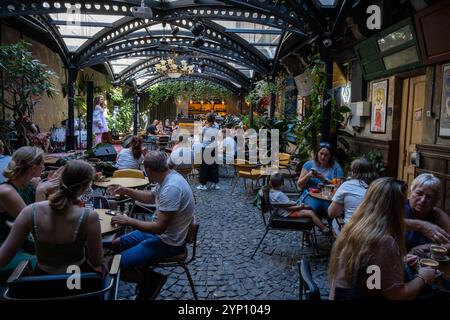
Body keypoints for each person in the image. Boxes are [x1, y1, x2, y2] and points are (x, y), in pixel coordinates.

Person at [328, 178, 438, 300]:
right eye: (403, 203)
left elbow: (370, 274)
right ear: (396, 208)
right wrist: (422, 277)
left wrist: (397, 262)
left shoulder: (356, 226)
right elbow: (398, 296)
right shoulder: (383, 241)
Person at [107, 151, 195, 300]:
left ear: (148, 170)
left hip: (169, 242)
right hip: (161, 234)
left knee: (113, 265)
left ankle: (150, 281)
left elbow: (159, 228)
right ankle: (145, 275)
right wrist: (126, 190)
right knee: (116, 244)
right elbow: (151, 197)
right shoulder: (167, 177)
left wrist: (129, 220)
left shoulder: (171, 188)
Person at [0, 160, 104, 275]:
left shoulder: (30, 211)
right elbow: (96, 261)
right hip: (77, 282)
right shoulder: (89, 216)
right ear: (85, 186)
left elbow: (3, 259)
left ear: (60, 180)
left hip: (41, 284)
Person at [0, 147, 62, 277]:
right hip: (9, 250)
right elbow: (35, 224)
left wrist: (51, 191)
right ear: (33, 167)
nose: (44, 166)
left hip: (26, 242)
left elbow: (50, 212)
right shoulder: (7, 192)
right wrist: (40, 192)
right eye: (42, 163)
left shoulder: (28, 183)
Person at [261, 173, 329, 232]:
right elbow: (289, 208)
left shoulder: (271, 191)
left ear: (270, 182)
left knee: (309, 207)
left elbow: (285, 204)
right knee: (310, 212)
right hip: (288, 213)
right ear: (282, 184)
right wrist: (299, 207)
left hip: (284, 210)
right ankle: (323, 228)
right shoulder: (279, 194)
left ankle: (320, 224)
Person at [328, 158, 378, 235]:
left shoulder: (347, 185)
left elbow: (331, 213)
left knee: (335, 221)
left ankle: (340, 245)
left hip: (352, 232)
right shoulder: (379, 186)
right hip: (375, 231)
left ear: (354, 172)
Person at [296, 142, 344, 222]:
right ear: (317, 153)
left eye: (326, 155)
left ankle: (331, 230)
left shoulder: (336, 167)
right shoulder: (309, 165)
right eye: (321, 153)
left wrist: (324, 179)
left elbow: (339, 186)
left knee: (330, 209)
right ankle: (309, 231)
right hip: (310, 194)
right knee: (314, 206)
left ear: (331, 156)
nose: (323, 157)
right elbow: (299, 185)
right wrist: (308, 176)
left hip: (328, 196)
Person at [404, 174, 450, 254]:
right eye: (419, 193)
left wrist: (429, 247)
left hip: (424, 263)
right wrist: (421, 225)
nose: (423, 200)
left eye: (429, 197)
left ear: (436, 200)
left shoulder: (437, 214)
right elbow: (384, 224)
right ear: (411, 192)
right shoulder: (400, 208)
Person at [197, 113, 220, 191]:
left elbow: (200, 139)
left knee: (204, 167)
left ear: (207, 120)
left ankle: (203, 185)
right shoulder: (217, 127)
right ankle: (215, 184)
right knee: (214, 166)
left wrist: (203, 125)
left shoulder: (204, 129)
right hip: (214, 147)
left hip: (206, 148)